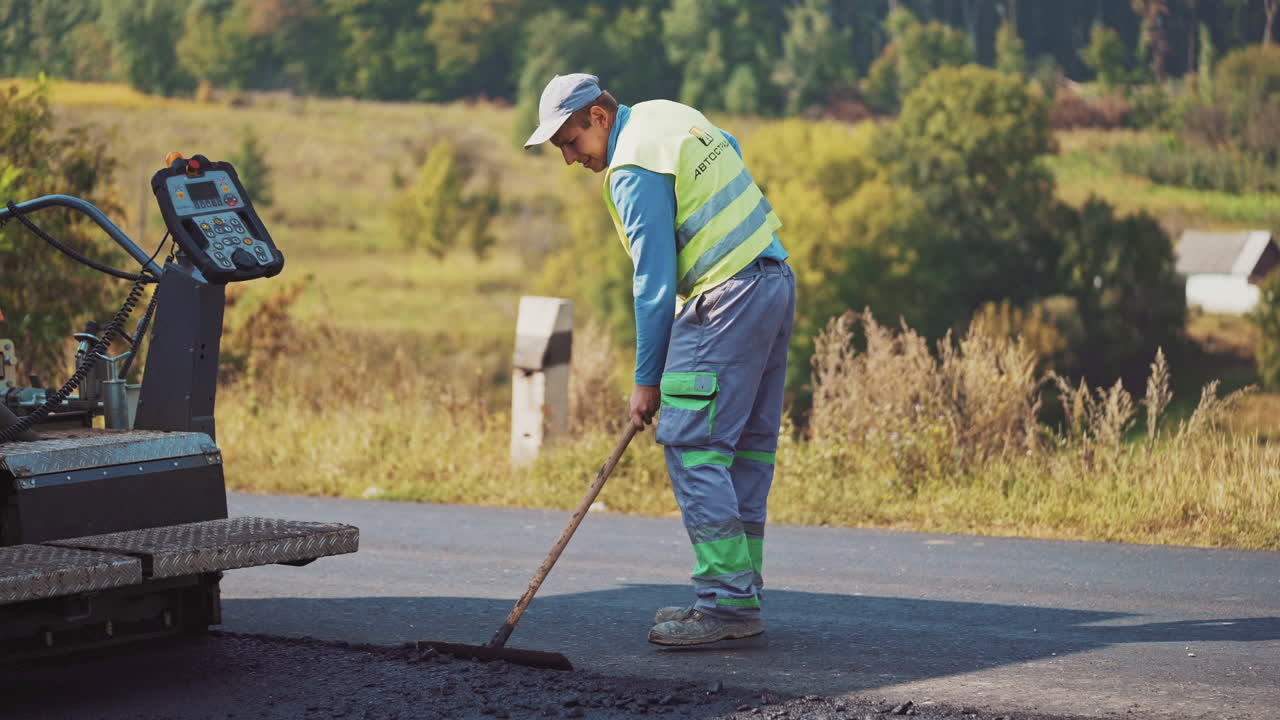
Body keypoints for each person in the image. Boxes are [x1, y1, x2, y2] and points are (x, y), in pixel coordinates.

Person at [524, 73, 795, 646]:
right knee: (742, 449)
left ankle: (725, 606)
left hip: (725, 295)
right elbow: (733, 153)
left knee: (694, 446)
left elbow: (653, 282)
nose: (569, 158)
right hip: (772, 279)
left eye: (570, 142)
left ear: (598, 116)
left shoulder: (630, 166)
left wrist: (648, 381)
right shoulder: (668, 115)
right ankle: (738, 593)